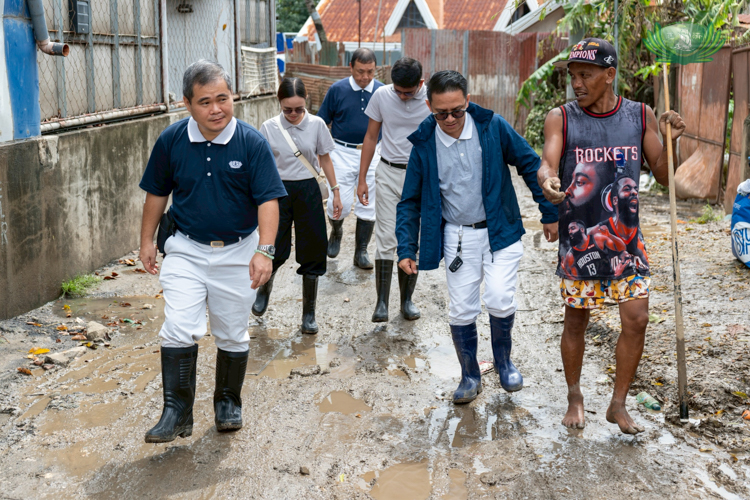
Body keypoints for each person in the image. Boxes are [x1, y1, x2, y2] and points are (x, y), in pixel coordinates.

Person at [537, 37, 686, 434]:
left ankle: (617, 404)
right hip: (581, 239)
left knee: (637, 319)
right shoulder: (562, 118)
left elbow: (665, 175)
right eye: (572, 76)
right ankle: (574, 395)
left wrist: (672, 143)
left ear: (609, 75)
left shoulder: (640, 115)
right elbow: (547, 162)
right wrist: (549, 181)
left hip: (627, 242)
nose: (577, 84)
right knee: (576, 322)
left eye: (585, 75)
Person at [139, 60, 286, 442]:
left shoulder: (250, 142)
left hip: (238, 251)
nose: (216, 109)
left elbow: (269, 200)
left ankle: (227, 402)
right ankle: (176, 411)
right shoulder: (171, 140)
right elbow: (157, 193)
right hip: (186, 248)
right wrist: (146, 242)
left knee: (233, 332)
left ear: (232, 97)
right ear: (187, 103)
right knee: (178, 326)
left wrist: (265, 251)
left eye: (223, 98)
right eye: (205, 102)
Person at [396, 70, 559, 404]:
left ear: (468, 101)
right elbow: (409, 201)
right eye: (441, 113)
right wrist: (406, 246)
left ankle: (504, 362)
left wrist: (550, 212)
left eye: (457, 110)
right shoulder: (425, 144)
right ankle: (469, 374)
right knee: (461, 309)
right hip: (457, 237)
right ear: (429, 107)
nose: (451, 119)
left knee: (500, 296)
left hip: (501, 230)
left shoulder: (492, 127)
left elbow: (529, 164)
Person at [252, 78, 343, 334]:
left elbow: (325, 158)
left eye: (299, 109)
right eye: (287, 109)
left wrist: (336, 191)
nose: (293, 114)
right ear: (279, 104)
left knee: (313, 247)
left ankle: (309, 314)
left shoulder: (316, 125)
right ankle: (264, 290)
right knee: (274, 245)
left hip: (308, 189)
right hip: (277, 191)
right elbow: (262, 164)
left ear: (307, 104)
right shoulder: (268, 127)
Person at [357, 57, 431, 323]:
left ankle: (407, 300)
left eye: (408, 92)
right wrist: (362, 178)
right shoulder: (381, 96)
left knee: (412, 240)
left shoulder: (431, 100)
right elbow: (370, 136)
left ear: (420, 84)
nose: (401, 96)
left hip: (420, 177)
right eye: (397, 90)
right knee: (386, 238)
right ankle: (381, 303)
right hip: (388, 172)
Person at [316, 48, 384, 268]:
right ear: (351, 67)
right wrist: (321, 151)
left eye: (370, 72)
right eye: (360, 71)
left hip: (373, 151)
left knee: (368, 202)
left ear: (376, 69)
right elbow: (321, 122)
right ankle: (336, 231)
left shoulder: (383, 92)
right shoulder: (337, 90)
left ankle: (361, 251)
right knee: (341, 202)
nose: (365, 77)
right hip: (342, 152)